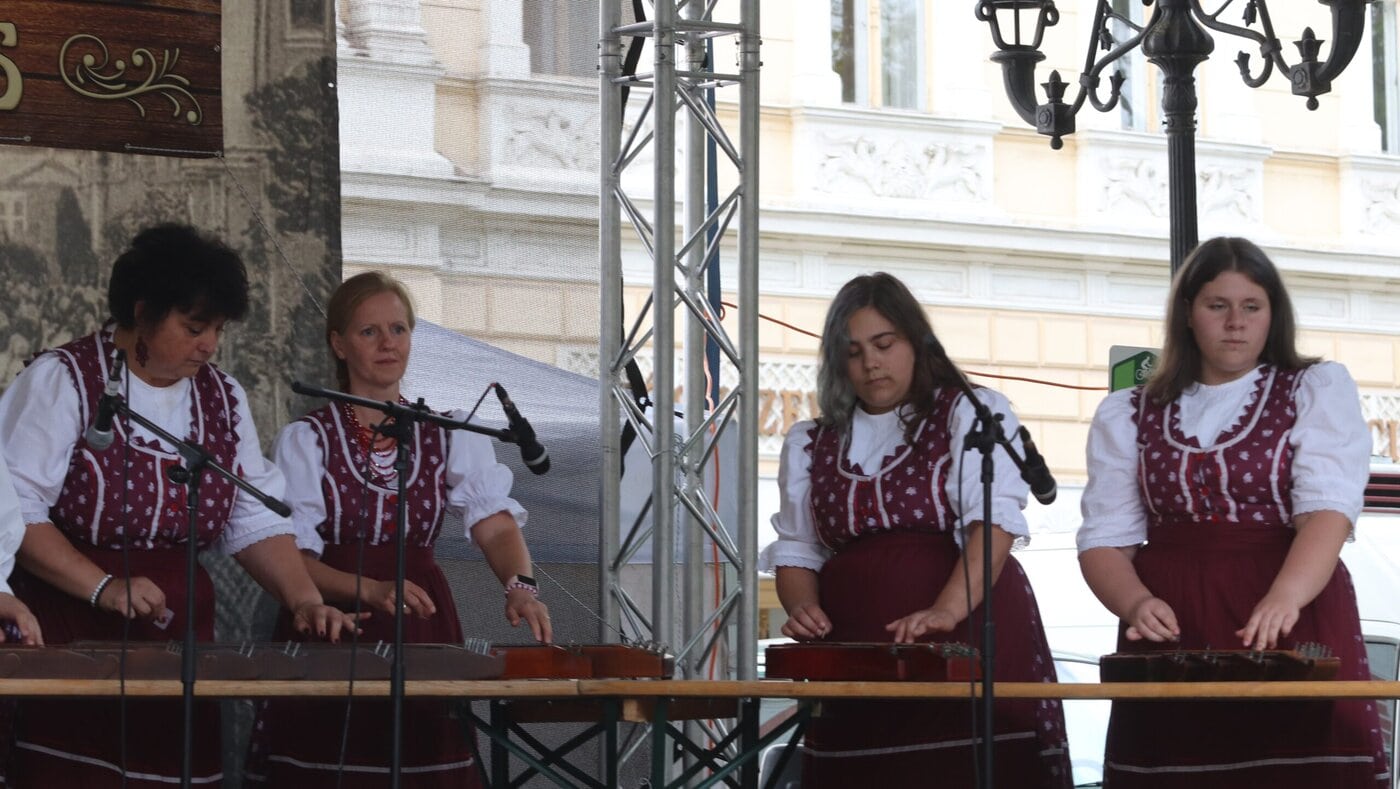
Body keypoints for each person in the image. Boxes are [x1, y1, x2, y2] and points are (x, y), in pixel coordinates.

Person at [0, 223, 362, 788]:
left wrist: (305, 599)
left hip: (179, 637)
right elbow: (16, 509)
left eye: (217, 329)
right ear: (142, 312)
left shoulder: (222, 396)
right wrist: (103, 586)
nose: (209, 345)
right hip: (73, 627)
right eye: (194, 328)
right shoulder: (66, 380)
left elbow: (252, 515)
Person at [1078, 236, 1389, 788]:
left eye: (1252, 306)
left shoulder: (1312, 389)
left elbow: (1327, 511)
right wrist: (1134, 602)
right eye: (1217, 305)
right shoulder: (1129, 411)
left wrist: (1286, 597)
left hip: (1288, 608)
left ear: (1273, 314)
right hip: (1173, 621)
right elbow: (1105, 536)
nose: (1235, 323)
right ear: (1187, 313)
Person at [760, 272, 1070, 788]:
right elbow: (797, 548)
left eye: (884, 344)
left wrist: (946, 610)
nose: (870, 363)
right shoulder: (811, 441)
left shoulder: (969, 412)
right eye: (853, 352)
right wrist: (803, 607)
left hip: (963, 633)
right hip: (857, 646)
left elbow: (993, 524)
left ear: (917, 343)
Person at [245, 271, 550, 787]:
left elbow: (495, 524)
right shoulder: (308, 439)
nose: (388, 343)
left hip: (421, 621)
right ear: (338, 344)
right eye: (369, 332)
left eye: (399, 329)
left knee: (419, 760)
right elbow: (289, 556)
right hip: (333, 620)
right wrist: (369, 589)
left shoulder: (447, 431)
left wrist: (521, 586)